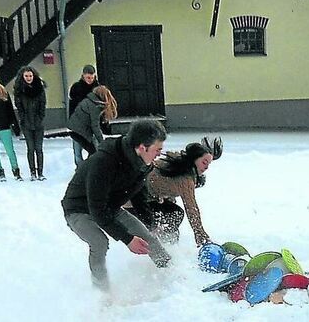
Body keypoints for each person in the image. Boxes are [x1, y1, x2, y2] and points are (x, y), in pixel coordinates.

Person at [61, 120, 171, 291]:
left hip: (110, 207)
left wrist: (150, 224)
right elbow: (97, 209)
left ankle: (171, 273)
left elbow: (138, 197)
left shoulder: (142, 164)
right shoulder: (103, 162)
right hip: (78, 209)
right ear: (142, 147)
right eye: (158, 150)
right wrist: (127, 239)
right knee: (99, 242)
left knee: (147, 237)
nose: (159, 154)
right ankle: (102, 291)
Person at [126, 137, 222, 245]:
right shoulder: (185, 179)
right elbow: (191, 208)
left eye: (208, 164)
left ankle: (167, 244)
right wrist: (199, 232)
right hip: (134, 204)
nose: (206, 168)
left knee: (173, 216)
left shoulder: (176, 162)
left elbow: (161, 183)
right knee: (175, 214)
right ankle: (162, 246)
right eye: (204, 162)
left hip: (136, 199)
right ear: (194, 159)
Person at [13, 66, 47, 181]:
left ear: (34, 76)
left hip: (38, 123)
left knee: (39, 148)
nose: (28, 78)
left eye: (30, 76)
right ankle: (32, 172)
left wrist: (40, 117)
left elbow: (43, 105)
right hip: (26, 123)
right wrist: (22, 118)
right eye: (26, 76)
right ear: (23, 77)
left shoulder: (39, 88)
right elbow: (19, 106)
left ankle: (40, 173)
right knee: (30, 148)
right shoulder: (20, 90)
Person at [67, 85, 117, 159]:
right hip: (78, 131)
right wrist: (102, 142)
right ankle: (87, 168)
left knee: (85, 152)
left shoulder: (89, 100)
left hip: (74, 129)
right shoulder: (95, 106)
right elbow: (95, 126)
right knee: (93, 152)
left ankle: (84, 167)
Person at [68, 65, 99, 167]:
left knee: (94, 149)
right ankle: (80, 168)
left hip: (91, 123)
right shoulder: (76, 88)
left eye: (92, 77)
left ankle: (88, 167)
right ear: (83, 76)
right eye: (88, 77)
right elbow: (72, 106)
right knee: (77, 149)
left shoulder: (97, 89)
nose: (90, 80)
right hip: (77, 122)